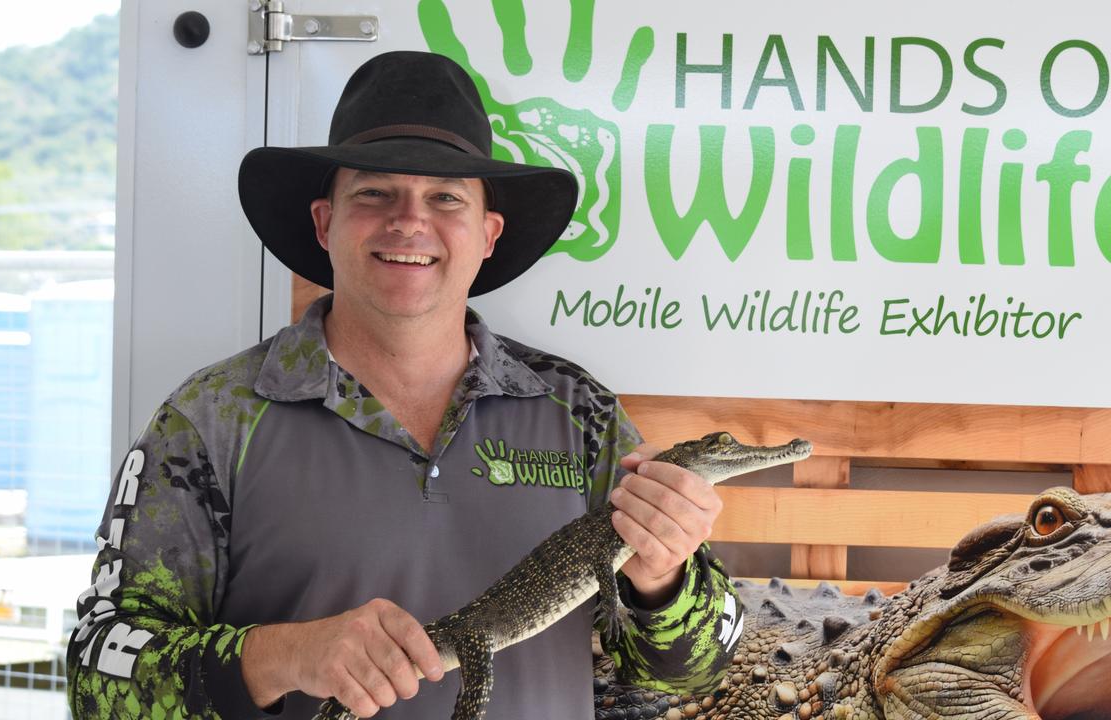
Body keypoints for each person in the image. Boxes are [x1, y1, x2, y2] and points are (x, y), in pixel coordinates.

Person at [65, 51, 741, 719]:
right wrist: (284, 654)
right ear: (325, 223)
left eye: (445, 198)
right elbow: (100, 675)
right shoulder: (212, 420)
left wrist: (663, 575)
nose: (408, 220)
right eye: (374, 193)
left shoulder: (580, 411)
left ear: (487, 235)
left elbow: (688, 676)